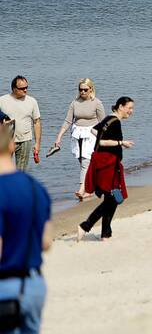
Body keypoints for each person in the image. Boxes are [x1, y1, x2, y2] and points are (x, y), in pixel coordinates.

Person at [0, 120, 53, 334]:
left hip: (6, 287)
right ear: (12, 146)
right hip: (34, 285)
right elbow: (46, 242)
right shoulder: (35, 187)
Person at [77, 96, 135, 241]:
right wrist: (121, 142)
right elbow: (102, 141)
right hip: (107, 164)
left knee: (113, 197)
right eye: (129, 108)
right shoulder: (114, 122)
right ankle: (85, 225)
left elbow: (94, 131)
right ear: (120, 107)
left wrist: (115, 142)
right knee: (112, 198)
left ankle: (105, 234)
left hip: (108, 163)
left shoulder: (109, 119)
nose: (131, 111)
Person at [51, 78, 106, 201]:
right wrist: (59, 136)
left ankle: (82, 189)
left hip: (92, 134)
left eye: (85, 89)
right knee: (82, 161)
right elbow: (68, 121)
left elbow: (103, 123)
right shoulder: (74, 103)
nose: (83, 92)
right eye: (80, 89)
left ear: (91, 89)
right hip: (77, 134)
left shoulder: (97, 103)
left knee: (86, 161)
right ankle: (92, 186)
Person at [0, 76, 40, 173]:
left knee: (21, 172)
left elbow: (37, 122)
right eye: (22, 88)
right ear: (14, 89)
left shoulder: (32, 101)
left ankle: (18, 187)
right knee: (3, 170)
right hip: (6, 141)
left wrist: (37, 143)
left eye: (26, 87)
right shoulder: (2, 100)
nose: (25, 90)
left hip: (25, 140)